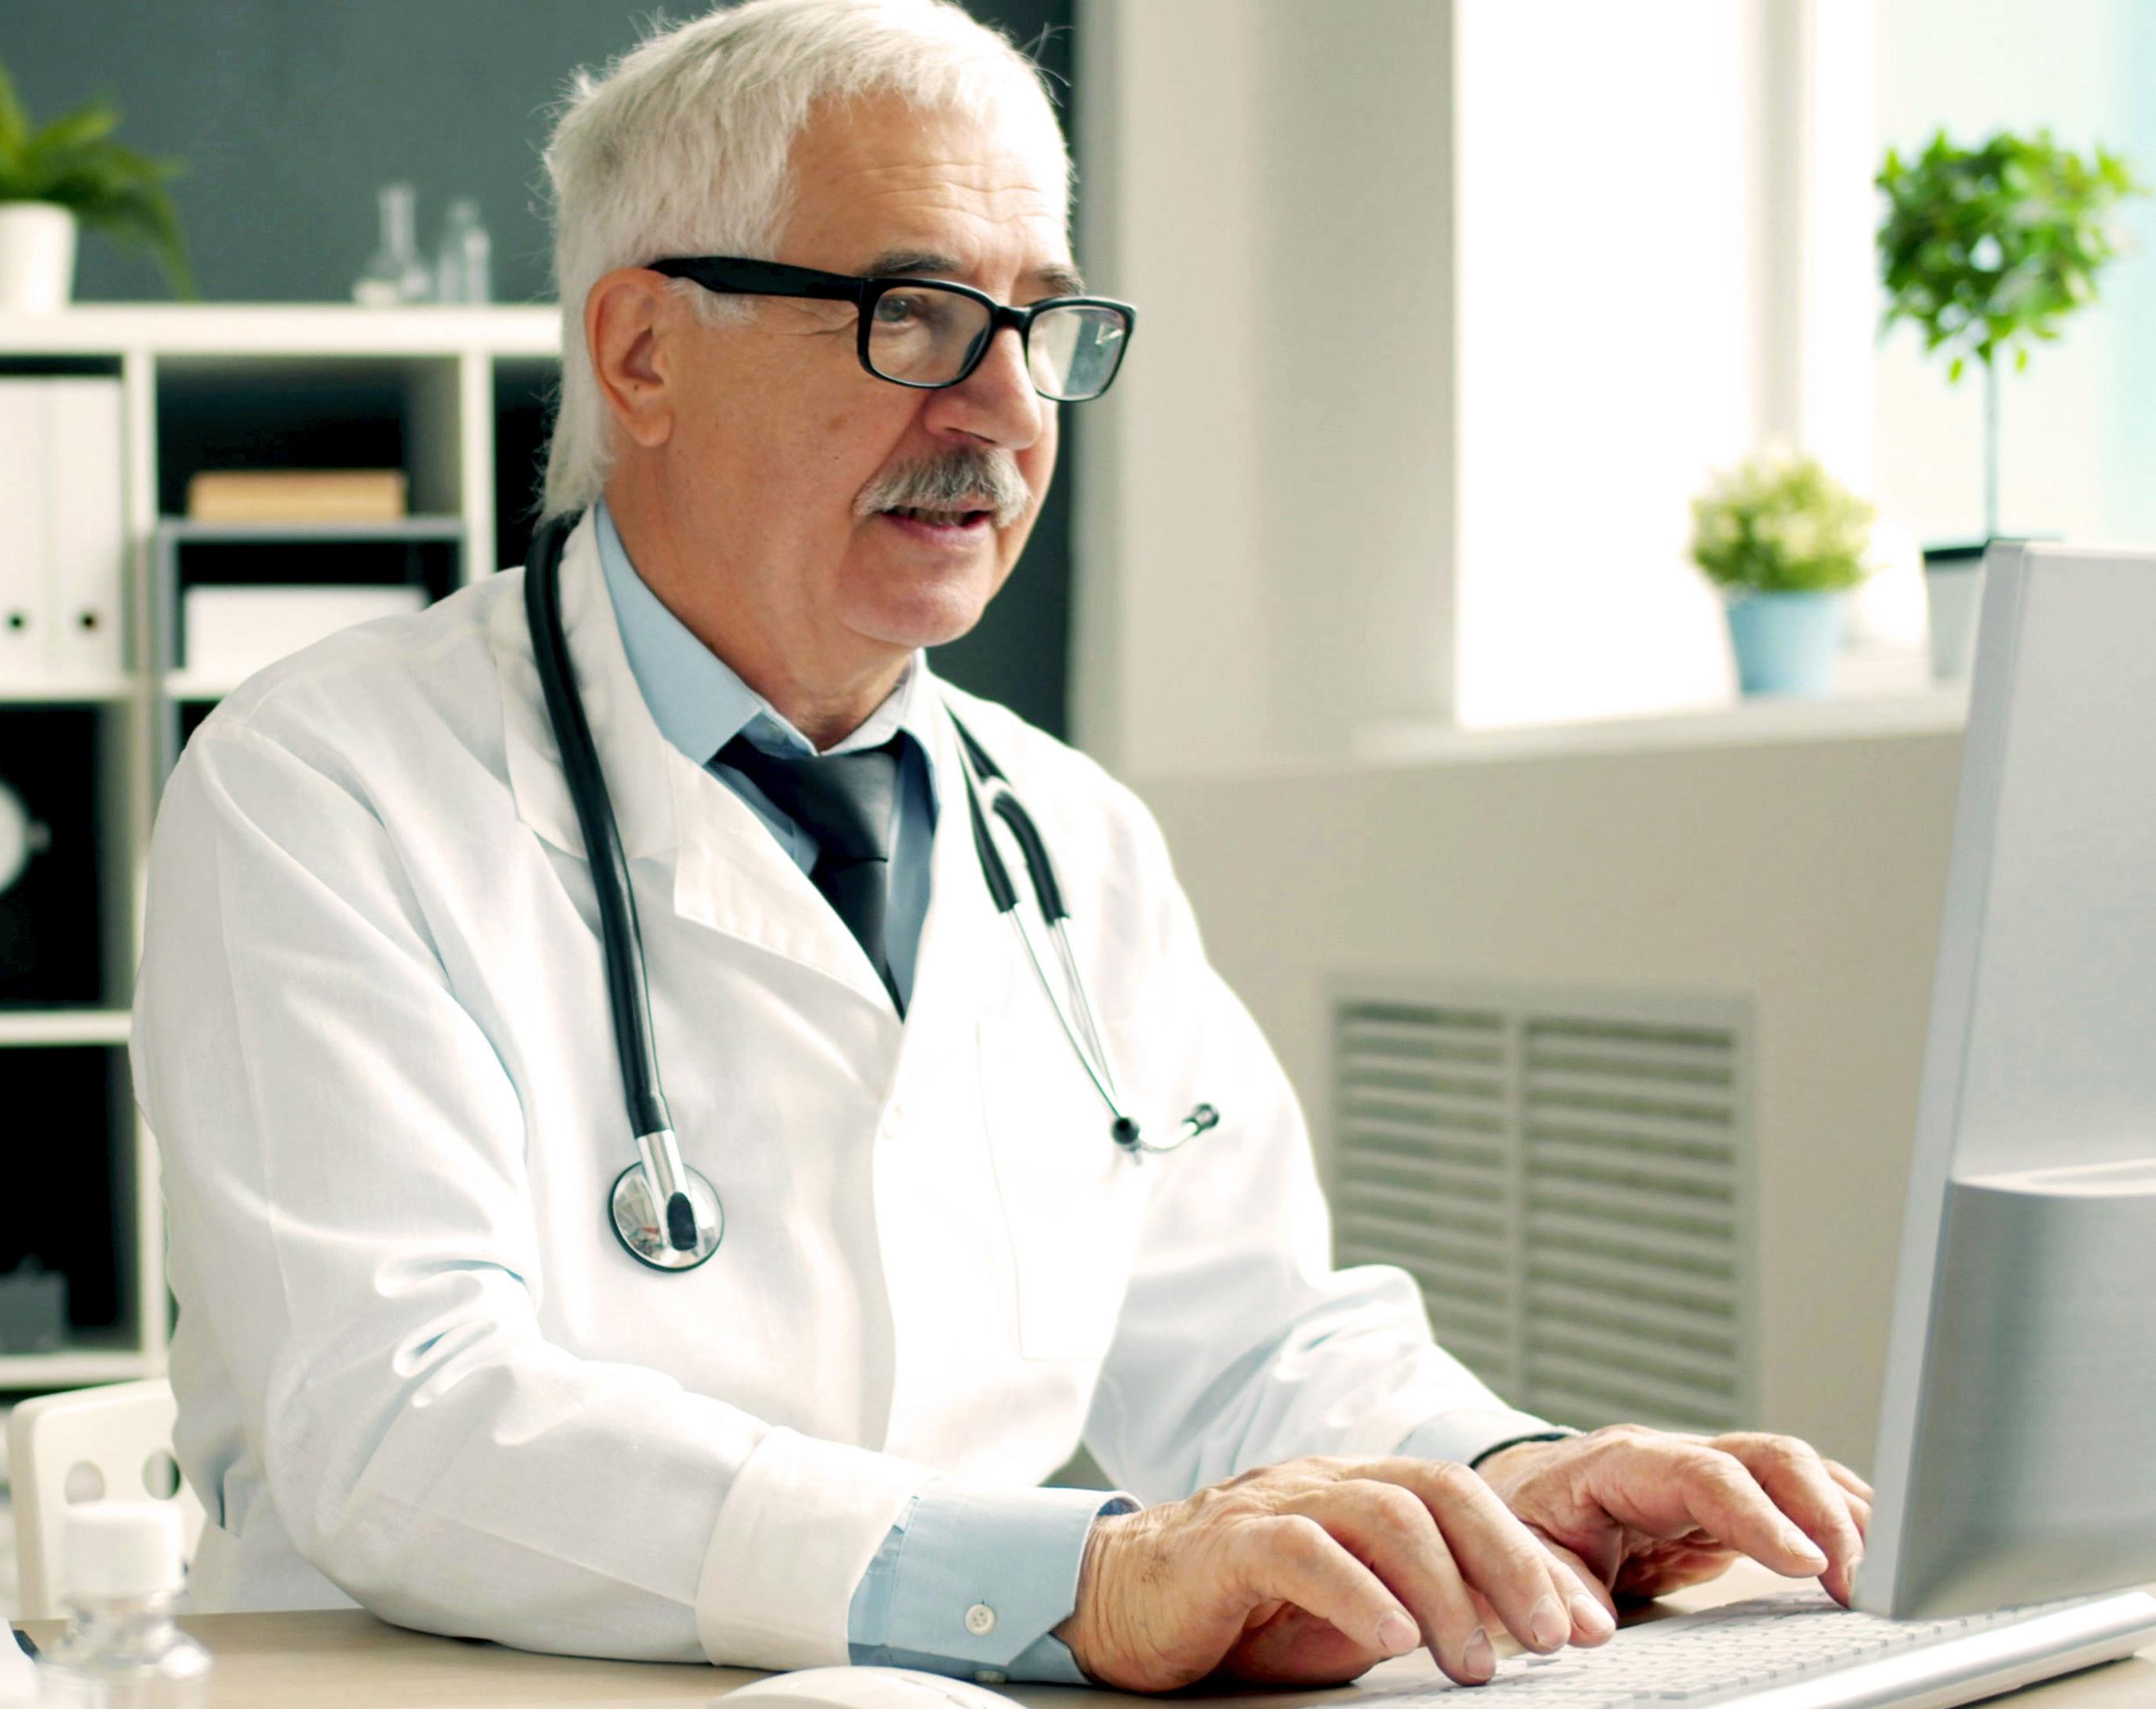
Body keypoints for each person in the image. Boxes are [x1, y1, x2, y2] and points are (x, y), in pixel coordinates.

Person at [132, 0, 1871, 1693]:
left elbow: (1255, 1341)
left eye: (1038, 325)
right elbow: (401, 1416)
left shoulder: (1071, 834)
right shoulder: (322, 785)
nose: (1003, 409)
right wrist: (1084, 1575)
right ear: (644, 351)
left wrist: (1503, 1475)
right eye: (915, 314)